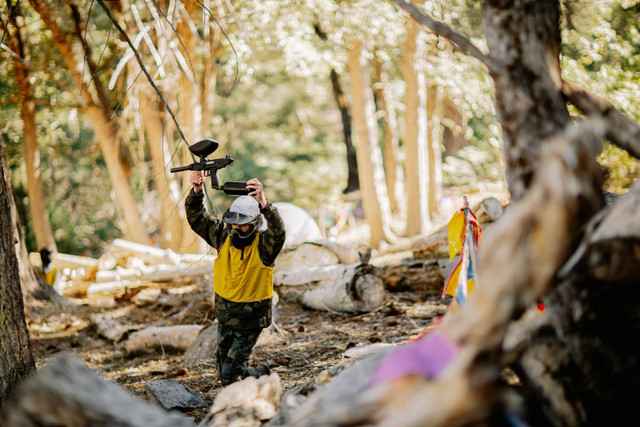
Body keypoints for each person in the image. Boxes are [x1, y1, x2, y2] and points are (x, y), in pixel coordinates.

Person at [185, 172, 286, 386]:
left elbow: (278, 231)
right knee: (223, 371)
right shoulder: (223, 237)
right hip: (225, 315)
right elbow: (197, 218)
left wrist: (264, 203)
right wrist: (196, 192)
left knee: (231, 377)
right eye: (233, 224)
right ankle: (260, 374)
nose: (237, 229)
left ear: (255, 223)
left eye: (243, 225)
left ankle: (243, 407)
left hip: (250, 321)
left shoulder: (264, 245)